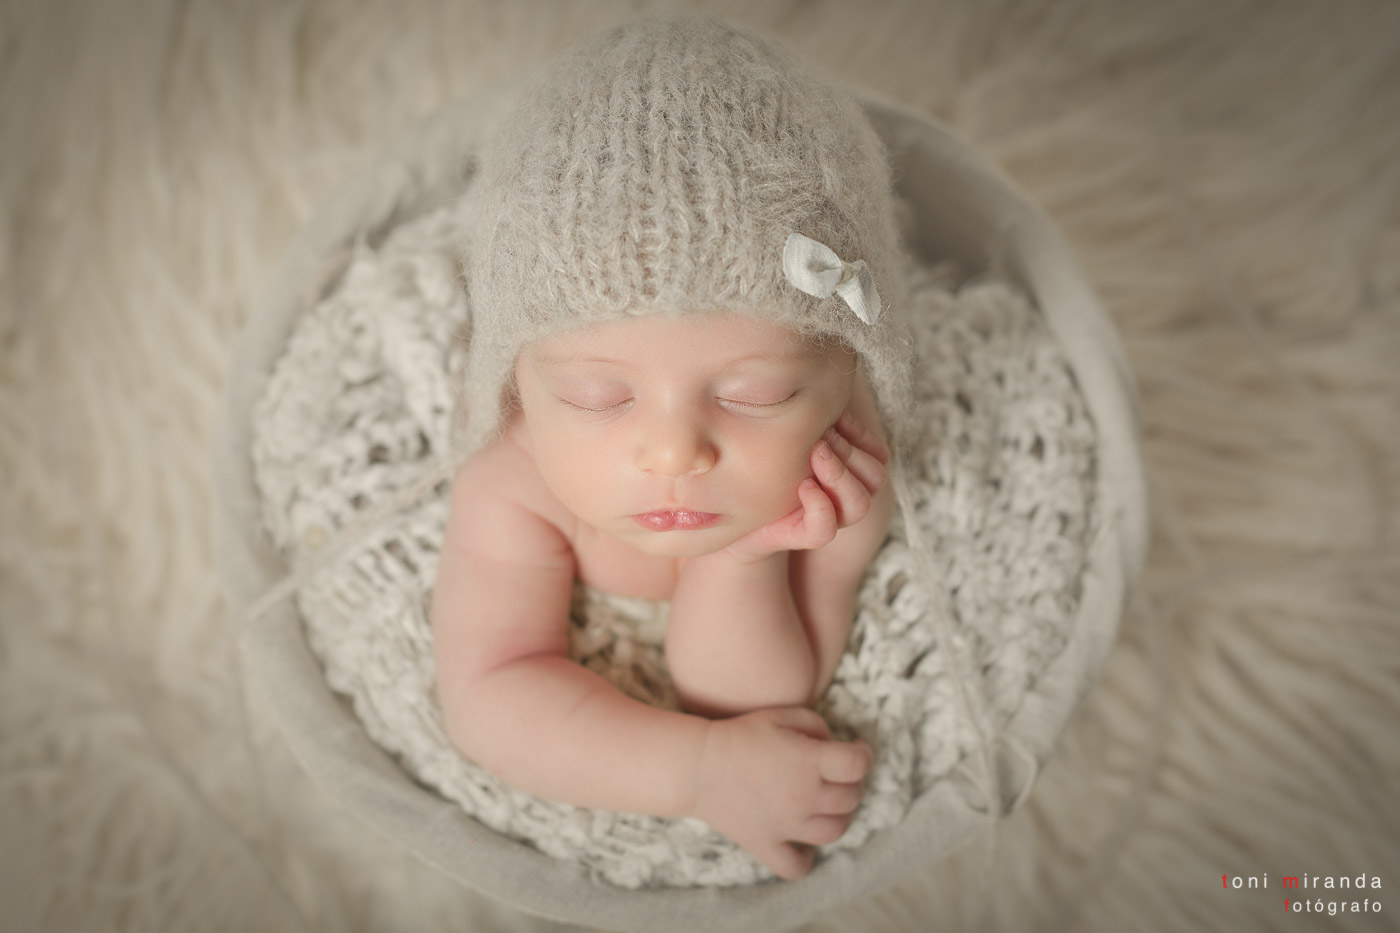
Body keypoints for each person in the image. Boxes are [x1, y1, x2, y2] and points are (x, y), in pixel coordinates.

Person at [430, 11, 917, 881]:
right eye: (595, 394)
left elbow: (756, 697)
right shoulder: (516, 483)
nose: (673, 451)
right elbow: (490, 690)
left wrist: (744, 560)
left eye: (753, 393)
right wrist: (697, 771)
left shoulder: (838, 474)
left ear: (850, 373)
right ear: (514, 382)